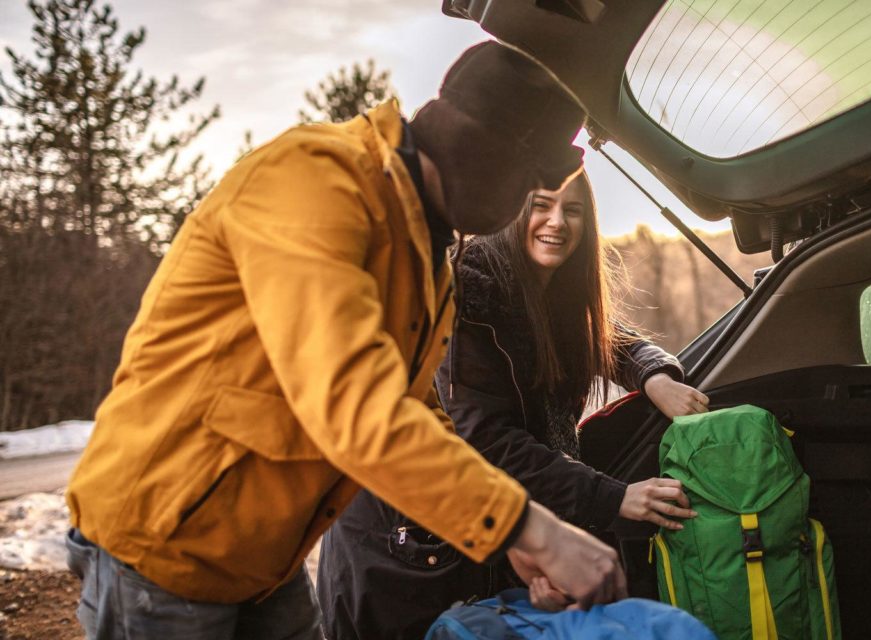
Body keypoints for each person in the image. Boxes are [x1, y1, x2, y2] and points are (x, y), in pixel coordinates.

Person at [63, 42, 627, 640]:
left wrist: (498, 531)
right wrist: (527, 527)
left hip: (264, 552)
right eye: (526, 189)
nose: (523, 212)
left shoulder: (426, 257)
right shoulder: (314, 181)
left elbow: (416, 410)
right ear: (487, 160)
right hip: (163, 544)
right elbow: (354, 404)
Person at [317, 171, 711, 639]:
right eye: (541, 205)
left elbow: (608, 341)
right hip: (404, 551)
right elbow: (486, 441)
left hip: (475, 528)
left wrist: (653, 376)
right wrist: (613, 497)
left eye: (573, 210)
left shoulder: (550, 294)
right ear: (510, 210)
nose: (557, 222)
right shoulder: (469, 296)